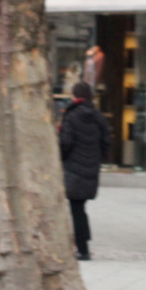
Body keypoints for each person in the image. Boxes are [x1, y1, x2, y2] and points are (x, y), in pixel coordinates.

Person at [59, 82, 110, 261]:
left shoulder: (70, 115)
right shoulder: (97, 115)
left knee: (76, 208)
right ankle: (83, 244)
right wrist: (97, 157)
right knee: (80, 208)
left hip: (73, 167)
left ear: (75, 96)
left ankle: (83, 249)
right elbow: (107, 140)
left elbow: (65, 142)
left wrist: (62, 158)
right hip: (91, 168)